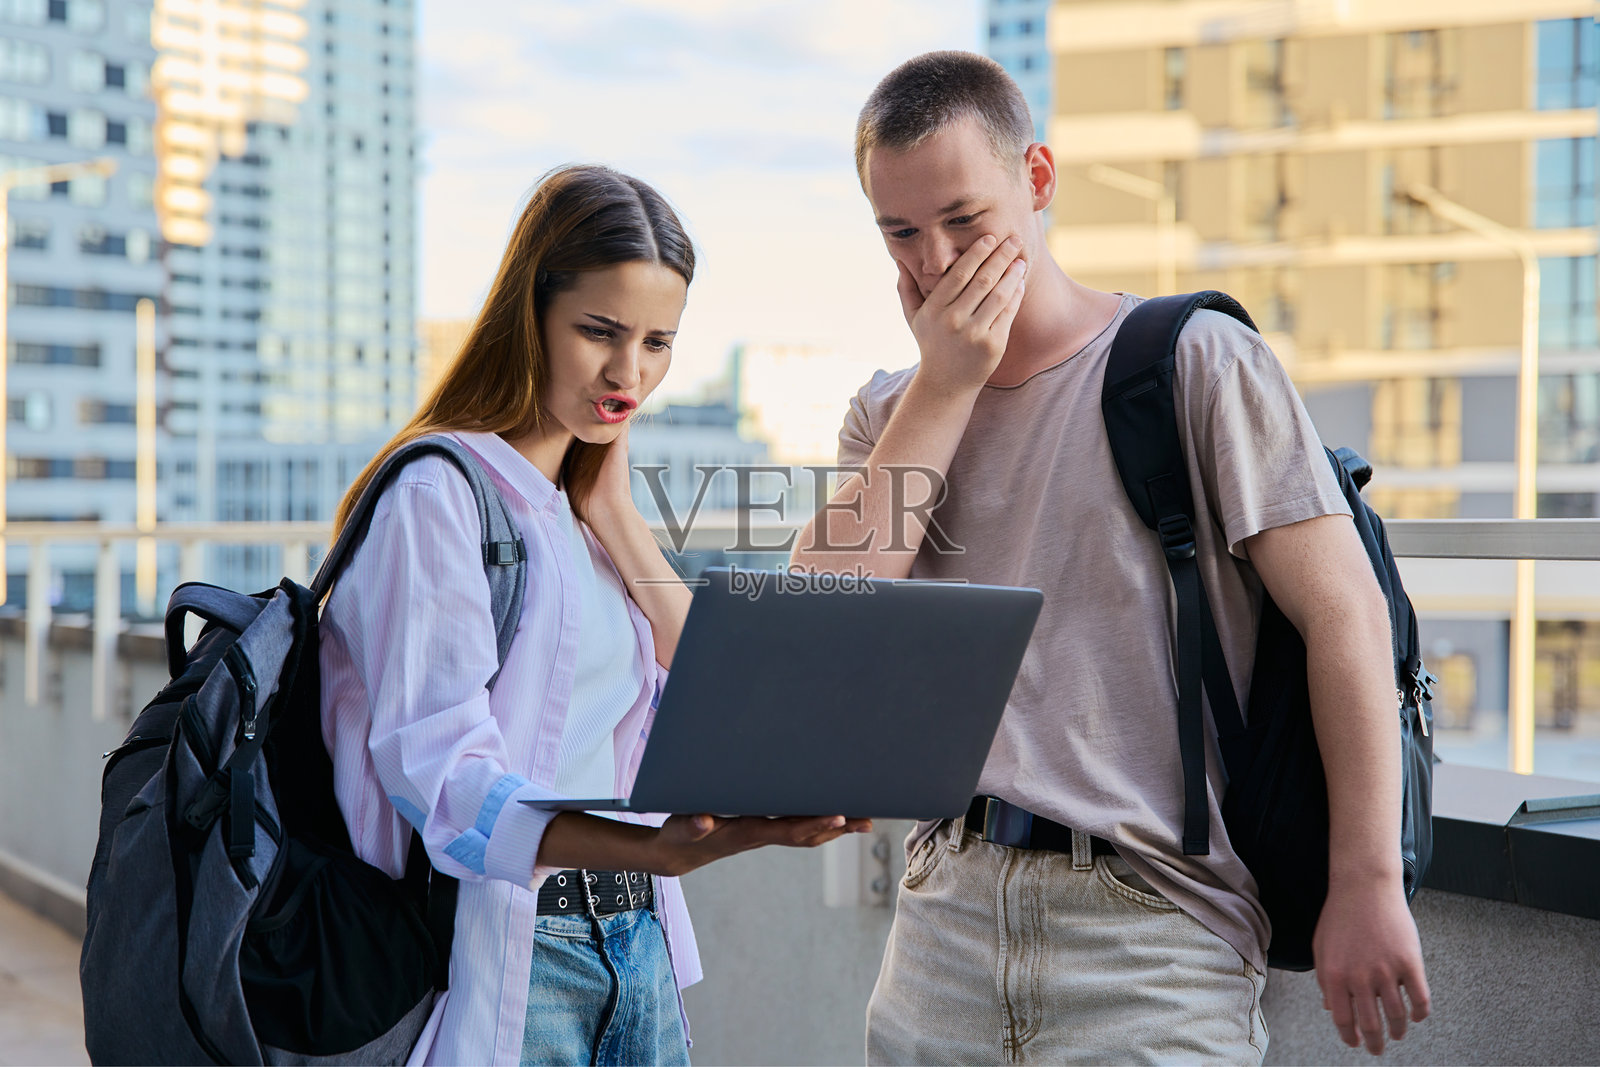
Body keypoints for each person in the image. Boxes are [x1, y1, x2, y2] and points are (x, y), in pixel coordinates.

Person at [791, 52, 1431, 1065]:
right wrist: (948, 385)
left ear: (1037, 181)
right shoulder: (889, 412)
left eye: (964, 218)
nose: (936, 259)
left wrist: (1366, 881)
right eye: (901, 232)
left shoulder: (1195, 362)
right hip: (941, 923)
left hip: (1152, 931)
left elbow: (1345, 613)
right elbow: (816, 637)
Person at [321, 164, 870, 1066]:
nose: (630, 373)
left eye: (659, 342)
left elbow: (708, 696)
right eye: (600, 332)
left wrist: (614, 511)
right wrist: (660, 852)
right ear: (529, 313)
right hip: (512, 956)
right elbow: (444, 777)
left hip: (638, 948)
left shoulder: (584, 508)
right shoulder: (438, 494)